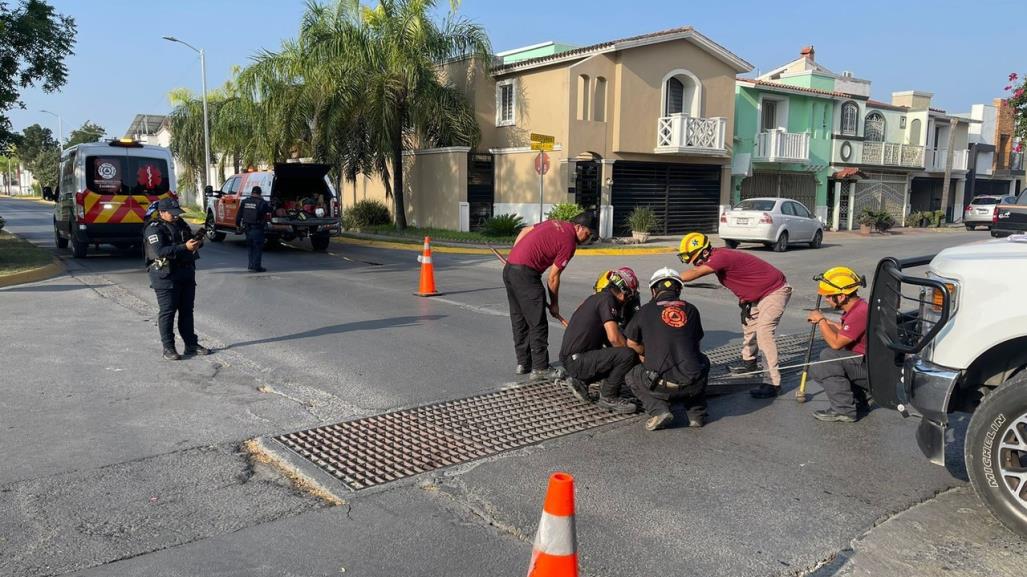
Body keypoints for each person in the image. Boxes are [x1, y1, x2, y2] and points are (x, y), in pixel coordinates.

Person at [676, 232, 791, 399]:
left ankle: (773, 382)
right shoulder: (716, 257)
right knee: (750, 326)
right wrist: (744, 299)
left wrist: (669, 278)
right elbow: (741, 277)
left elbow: (696, 273)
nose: (693, 262)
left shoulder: (720, 257)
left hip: (775, 291)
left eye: (693, 258)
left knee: (764, 332)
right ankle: (749, 362)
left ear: (705, 252)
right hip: (758, 295)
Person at [503, 212, 594, 379]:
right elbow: (553, 277)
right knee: (537, 323)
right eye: (587, 234)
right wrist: (554, 303)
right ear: (579, 227)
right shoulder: (569, 243)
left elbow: (525, 230)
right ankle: (540, 368)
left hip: (510, 270)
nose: (587, 239)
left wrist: (514, 256)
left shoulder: (555, 223)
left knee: (519, 319)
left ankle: (523, 363)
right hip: (526, 275)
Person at [624, 268, 710, 431]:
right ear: (678, 289)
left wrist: (646, 355)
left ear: (653, 290)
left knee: (631, 375)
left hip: (660, 385)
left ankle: (659, 410)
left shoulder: (644, 311)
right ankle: (696, 414)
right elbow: (696, 344)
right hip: (691, 382)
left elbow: (631, 344)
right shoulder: (691, 310)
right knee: (703, 360)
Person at [560, 268, 640, 414]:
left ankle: (582, 381)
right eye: (630, 295)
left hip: (572, 359)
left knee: (618, 355)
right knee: (627, 355)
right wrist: (638, 356)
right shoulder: (607, 300)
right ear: (623, 293)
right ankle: (608, 397)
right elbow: (614, 339)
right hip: (577, 360)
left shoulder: (598, 298)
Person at [143, 197, 210, 360]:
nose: (175, 216)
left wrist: (197, 242)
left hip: (185, 272)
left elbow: (188, 241)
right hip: (165, 276)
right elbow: (160, 251)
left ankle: (191, 345)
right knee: (168, 312)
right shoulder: (154, 229)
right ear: (161, 213)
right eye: (171, 213)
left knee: (187, 311)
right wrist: (184, 247)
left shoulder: (180, 223)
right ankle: (168, 348)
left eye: (177, 213)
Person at [806, 266, 869, 423]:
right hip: (864, 363)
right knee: (818, 368)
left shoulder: (859, 312)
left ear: (841, 296)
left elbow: (836, 344)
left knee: (828, 357)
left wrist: (821, 321)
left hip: (870, 370)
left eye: (828, 296)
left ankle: (844, 411)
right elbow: (846, 331)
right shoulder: (858, 307)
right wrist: (826, 321)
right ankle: (857, 402)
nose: (826, 299)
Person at [236, 185, 272, 272]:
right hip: (257, 228)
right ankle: (257, 266)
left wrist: (238, 225)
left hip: (247, 228)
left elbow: (239, 215)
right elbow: (269, 210)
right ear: (260, 194)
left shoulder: (245, 201)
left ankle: (251, 265)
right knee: (257, 247)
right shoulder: (261, 202)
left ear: (252, 193)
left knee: (250, 247)